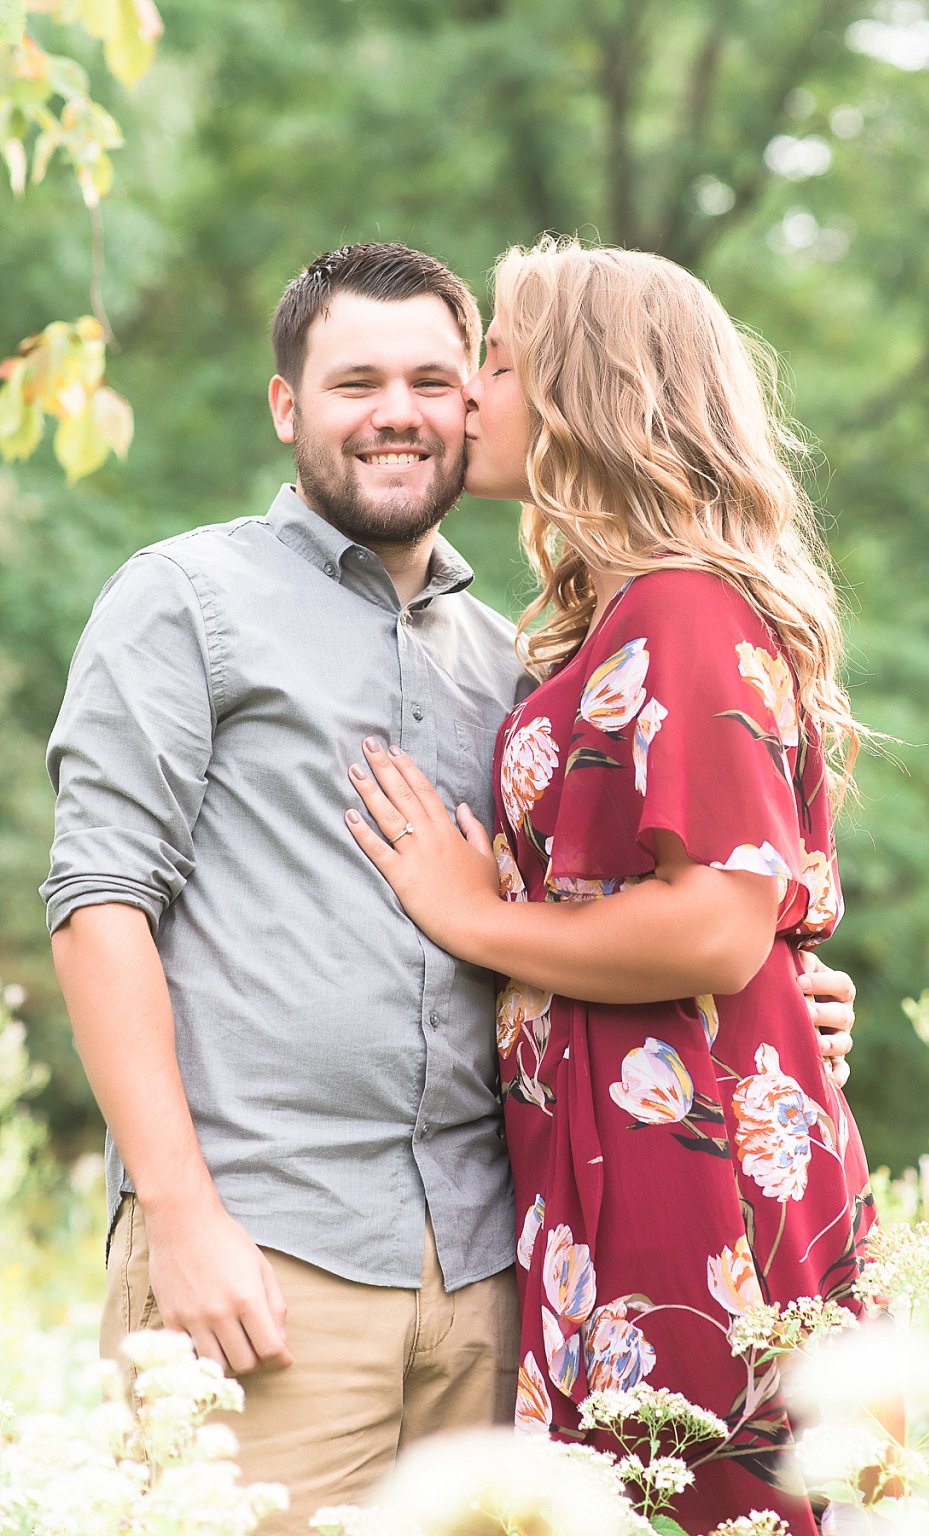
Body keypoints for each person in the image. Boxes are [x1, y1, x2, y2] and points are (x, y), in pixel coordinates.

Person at [41, 242, 855, 1533]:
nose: (405, 410)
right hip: (272, 1258)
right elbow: (98, 909)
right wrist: (182, 1220)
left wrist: (763, 994)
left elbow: (675, 898)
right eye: (356, 380)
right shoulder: (186, 602)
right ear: (284, 407)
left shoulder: (521, 663)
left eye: (445, 374)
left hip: (498, 1279)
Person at [339, 237, 875, 1533]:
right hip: (622, 1168)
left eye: (501, 364)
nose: (468, 396)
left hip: (686, 1195)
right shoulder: (627, 617)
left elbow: (713, 922)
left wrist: (474, 917)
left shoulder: (683, 609)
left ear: (591, 393)